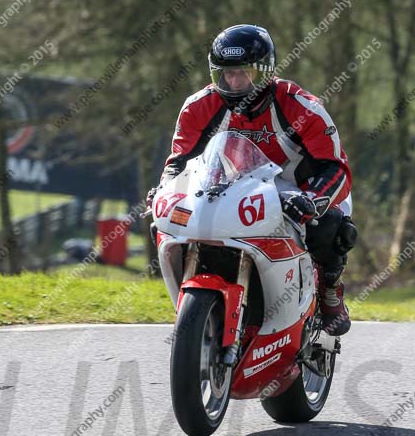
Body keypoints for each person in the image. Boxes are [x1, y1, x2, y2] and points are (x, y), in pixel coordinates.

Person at [149, 23, 357, 335]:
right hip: (230, 189)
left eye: (244, 73)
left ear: (266, 71)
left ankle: (330, 290)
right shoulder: (198, 106)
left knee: (330, 227)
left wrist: (313, 201)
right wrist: (166, 190)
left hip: (299, 189)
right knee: (165, 224)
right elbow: (178, 163)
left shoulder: (302, 106)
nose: (234, 83)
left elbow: (335, 168)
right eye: (226, 74)